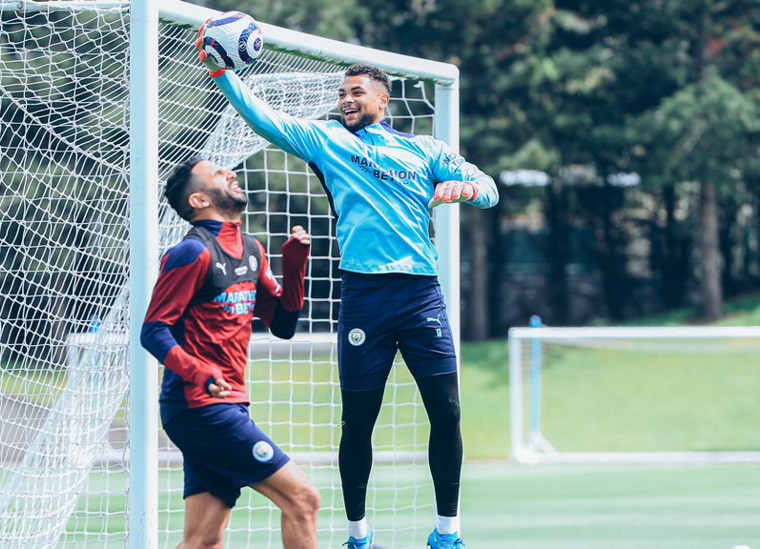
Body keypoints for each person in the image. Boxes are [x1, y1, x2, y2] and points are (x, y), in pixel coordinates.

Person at [195, 24, 499, 549]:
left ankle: (447, 534)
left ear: (384, 98)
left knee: (446, 411)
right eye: (342, 93)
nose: (345, 100)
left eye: (356, 92)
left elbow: (491, 190)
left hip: (421, 294)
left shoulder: (426, 150)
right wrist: (222, 73)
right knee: (358, 421)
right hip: (364, 297)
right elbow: (263, 118)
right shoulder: (328, 140)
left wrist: (465, 187)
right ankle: (358, 536)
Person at [140, 157, 320, 549]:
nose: (232, 173)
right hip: (199, 407)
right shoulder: (191, 252)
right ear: (200, 199)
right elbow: (153, 331)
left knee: (204, 540)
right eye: (219, 173)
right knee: (303, 500)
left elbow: (284, 325)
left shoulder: (252, 249)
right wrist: (199, 372)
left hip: (226, 405)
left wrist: (295, 266)